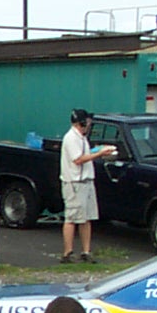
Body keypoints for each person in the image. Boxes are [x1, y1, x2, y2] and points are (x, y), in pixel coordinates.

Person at [59, 109, 115, 263]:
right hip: (75, 183)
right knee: (71, 217)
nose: (89, 124)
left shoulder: (82, 138)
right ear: (81, 123)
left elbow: (85, 153)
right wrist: (100, 154)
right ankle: (67, 253)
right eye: (87, 121)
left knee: (86, 218)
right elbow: (78, 159)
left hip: (87, 181)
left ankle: (86, 251)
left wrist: (98, 149)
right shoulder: (71, 138)